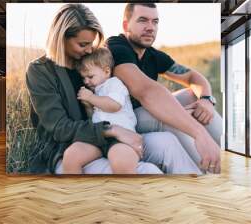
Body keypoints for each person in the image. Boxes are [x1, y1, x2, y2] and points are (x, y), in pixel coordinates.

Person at [26, 3, 164, 174]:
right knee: (148, 171)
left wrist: (171, 108)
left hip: (103, 130)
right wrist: (114, 130)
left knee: (169, 136)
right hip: (67, 147)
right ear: (61, 39)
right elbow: (61, 129)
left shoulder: (88, 63)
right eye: (83, 44)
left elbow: (118, 98)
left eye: (91, 43)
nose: (90, 49)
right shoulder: (40, 71)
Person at [106, 3, 223, 173]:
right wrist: (199, 133)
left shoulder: (151, 54)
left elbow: (192, 77)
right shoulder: (116, 48)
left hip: (144, 113)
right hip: (122, 118)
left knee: (193, 96)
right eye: (143, 20)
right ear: (126, 25)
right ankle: (207, 172)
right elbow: (146, 91)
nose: (150, 27)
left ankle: (225, 155)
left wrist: (206, 100)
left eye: (155, 22)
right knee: (169, 117)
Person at [61, 48, 140, 174]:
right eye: (83, 78)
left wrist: (91, 98)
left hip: (121, 138)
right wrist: (88, 106)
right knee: (71, 155)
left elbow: (114, 106)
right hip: (99, 137)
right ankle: (75, 191)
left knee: (121, 161)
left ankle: (126, 191)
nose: (86, 81)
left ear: (106, 71)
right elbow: (95, 118)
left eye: (90, 76)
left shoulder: (114, 84)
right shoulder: (97, 91)